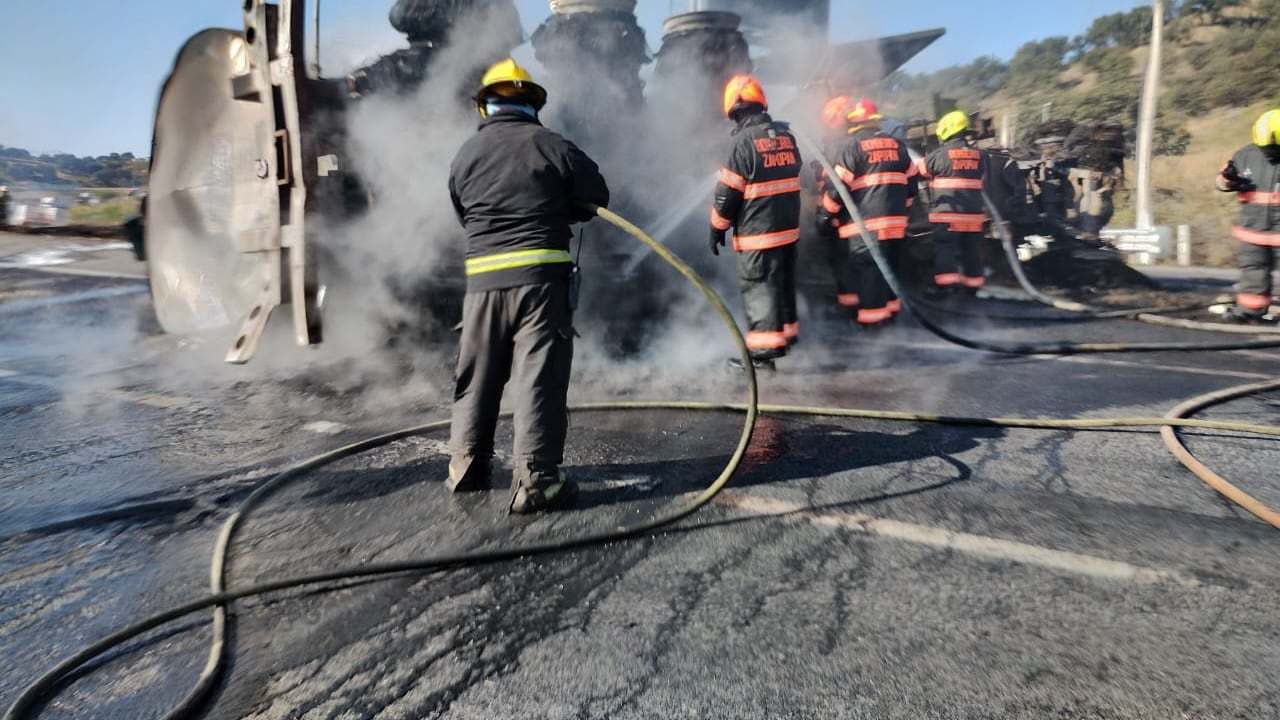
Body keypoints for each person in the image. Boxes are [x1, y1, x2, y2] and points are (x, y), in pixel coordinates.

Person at [446, 58, 610, 513]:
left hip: (481, 287)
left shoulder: (465, 156)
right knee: (538, 378)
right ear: (534, 105)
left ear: (486, 108)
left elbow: (463, 214)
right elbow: (597, 197)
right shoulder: (553, 144)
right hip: (540, 284)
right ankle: (537, 482)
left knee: (477, 375)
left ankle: (465, 467)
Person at [709, 74, 803, 371]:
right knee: (781, 285)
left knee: (759, 286)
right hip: (787, 230)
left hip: (757, 234)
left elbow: (727, 194)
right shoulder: (786, 137)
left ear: (735, 110)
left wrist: (717, 227)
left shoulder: (741, 142)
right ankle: (784, 338)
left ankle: (762, 358)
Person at [820, 98, 916, 328]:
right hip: (896, 223)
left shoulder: (852, 148)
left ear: (854, 123)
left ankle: (874, 324)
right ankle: (891, 314)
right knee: (890, 269)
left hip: (864, 225)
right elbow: (911, 185)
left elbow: (837, 189)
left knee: (869, 272)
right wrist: (903, 210)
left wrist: (826, 216)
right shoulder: (898, 146)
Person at [1217, 108, 1280, 323]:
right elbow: (1221, 181)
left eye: (1272, 148)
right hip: (1252, 231)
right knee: (1253, 273)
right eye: (1264, 147)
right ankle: (1250, 311)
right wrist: (1229, 180)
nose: (1267, 152)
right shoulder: (1245, 155)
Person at [920, 110, 989, 295]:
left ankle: (945, 286)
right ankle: (972, 287)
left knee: (945, 248)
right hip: (974, 215)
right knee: (971, 249)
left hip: (948, 214)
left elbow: (919, 171)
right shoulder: (981, 155)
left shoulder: (938, 155)